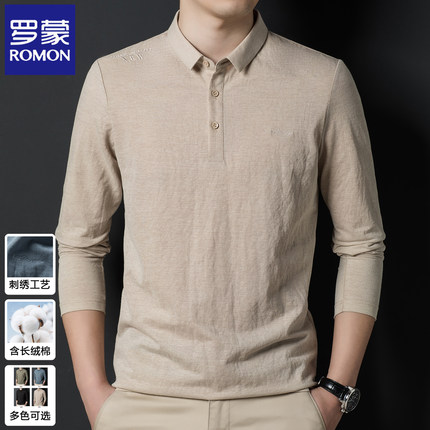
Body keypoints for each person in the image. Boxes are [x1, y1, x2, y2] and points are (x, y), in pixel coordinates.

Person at [54, 1, 386, 429]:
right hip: (143, 403)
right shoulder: (113, 79)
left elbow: (362, 244)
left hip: (283, 403)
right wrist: (94, 394)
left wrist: (335, 394)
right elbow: (79, 243)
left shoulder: (323, 80)